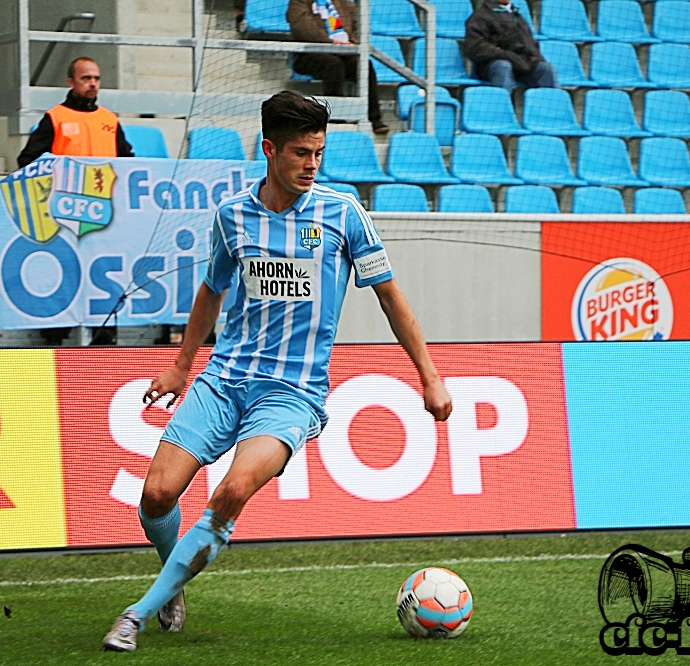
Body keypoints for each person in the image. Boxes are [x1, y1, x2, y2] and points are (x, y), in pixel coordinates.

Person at [101, 90, 452, 652]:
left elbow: (391, 297)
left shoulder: (342, 214)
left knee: (232, 490)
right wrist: (179, 367)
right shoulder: (231, 216)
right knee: (157, 496)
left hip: (291, 395)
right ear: (269, 149)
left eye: (318, 152)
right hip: (224, 381)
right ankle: (174, 583)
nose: (312, 165)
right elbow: (211, 292)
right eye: (300, 153)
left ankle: (136, 613)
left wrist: (430, 375)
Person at [18, 56, 133, 346]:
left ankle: (104, 336)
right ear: (71, 82)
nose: (92, 83)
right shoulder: (55, 117)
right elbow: (27, 161)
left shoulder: (110, 120)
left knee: (104, 274)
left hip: (106, 213)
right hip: (65, 212)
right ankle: (55, 334)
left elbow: (129, 162)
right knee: (66, 270)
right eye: (86, 78)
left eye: (96, 78)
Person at [286, 0, 389, 134]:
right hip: (310, 53)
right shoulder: (299, 2)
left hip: (344, 51)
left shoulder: (343, 2)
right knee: (333, 65)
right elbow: (302, 27)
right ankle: (336, 117)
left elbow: (357, 25)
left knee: (364, 66)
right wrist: (331, 43)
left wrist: (353, 42)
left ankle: (374, 118)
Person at [463, 0, 558, 93]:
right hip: (489, 65)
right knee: (503, 66)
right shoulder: (480, 16)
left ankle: (553, 106)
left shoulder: (516, 15)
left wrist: (534, 59)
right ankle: (502, 106)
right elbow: (474, 47)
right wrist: (506, 55)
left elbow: (531, 43)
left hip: (519, 63)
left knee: (546, 68)